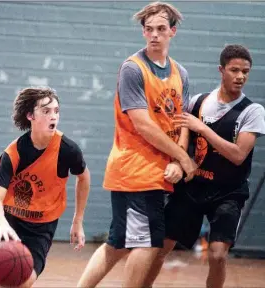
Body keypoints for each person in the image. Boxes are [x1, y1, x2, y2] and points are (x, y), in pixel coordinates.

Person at [77, 2, 197, 287]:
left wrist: (177, 162)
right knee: (148, 243)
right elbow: (143, 125)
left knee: (117, 243)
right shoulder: (133, 69)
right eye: (149, 29)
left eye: (161, 29)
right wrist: (184, 159)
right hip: (135, 170)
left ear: (173, 32)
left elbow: (182, 122)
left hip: (158, 169)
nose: (154, 35)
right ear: (143, 33)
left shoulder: (181, 73)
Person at [145, 44, 265, 288]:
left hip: (228, 192)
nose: (241, 76)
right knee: (159, 249)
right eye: (234, 70)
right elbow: (181, 141)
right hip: (193, 187)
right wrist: (179, 162)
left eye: (246, 71)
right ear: (221, 70)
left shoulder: (252, 111)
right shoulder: (196, 102)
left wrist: (202, 128)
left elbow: (238, 155)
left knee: (218, 255)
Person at [0, 87, 91, 288]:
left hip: (41, 226)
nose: (53, 116)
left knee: (24, 279)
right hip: (10, 218)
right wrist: (2, 225)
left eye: (56, 111)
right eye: (46, 111)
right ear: (30, 115)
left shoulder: (67, 150)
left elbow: (84, 177)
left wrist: (78, 220)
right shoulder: (14, 153)